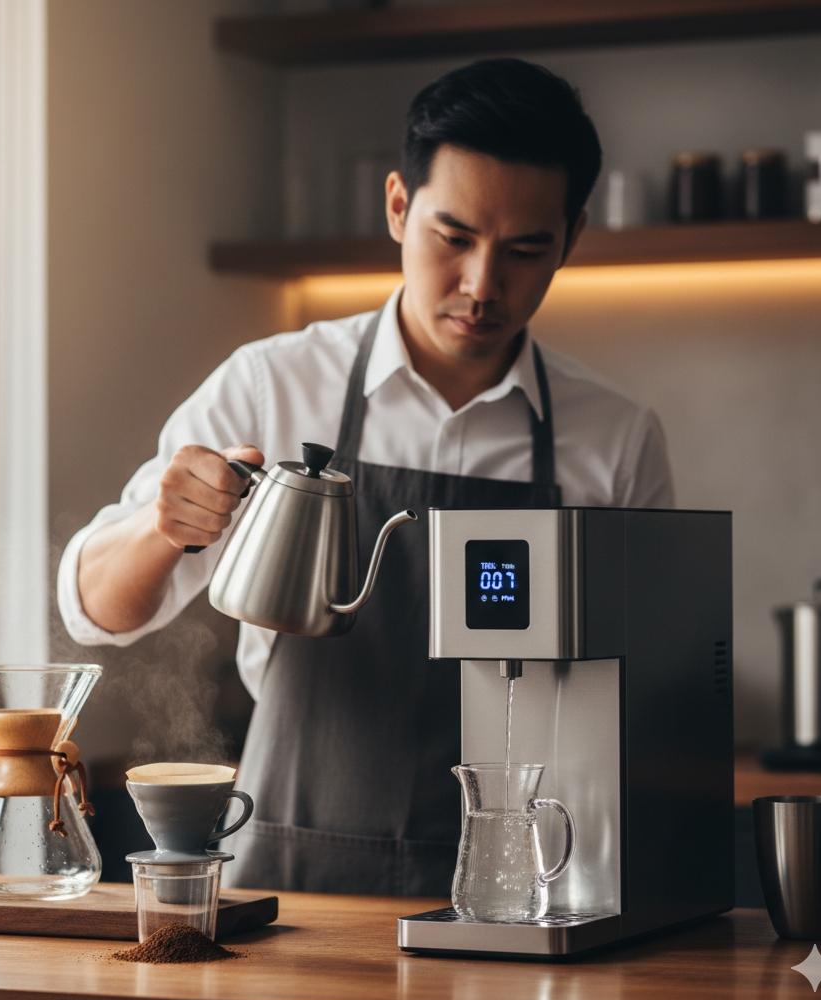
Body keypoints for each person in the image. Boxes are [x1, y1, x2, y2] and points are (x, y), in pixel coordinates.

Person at [59, 58, 674, 896]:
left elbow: (649, 691)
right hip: (298, 873)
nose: (482, 286)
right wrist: (161, 528)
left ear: (570, 239)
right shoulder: (273, 385)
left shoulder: (617, 439)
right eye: (453, 238)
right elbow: (96, 611)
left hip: (525, 877)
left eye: (525, 250)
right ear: (397, 207)